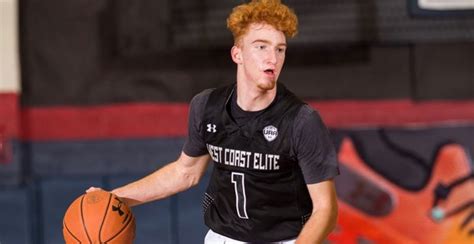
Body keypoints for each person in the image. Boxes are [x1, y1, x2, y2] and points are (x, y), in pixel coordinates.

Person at [88, 0, 339, 243]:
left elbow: (325, 209)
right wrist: (114, 197)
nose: (272, 58)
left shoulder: (301, 121)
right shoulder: (208, 106)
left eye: (280, 48)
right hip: (223, 238)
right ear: (237, 54)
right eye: (261, 46)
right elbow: (185, 172)